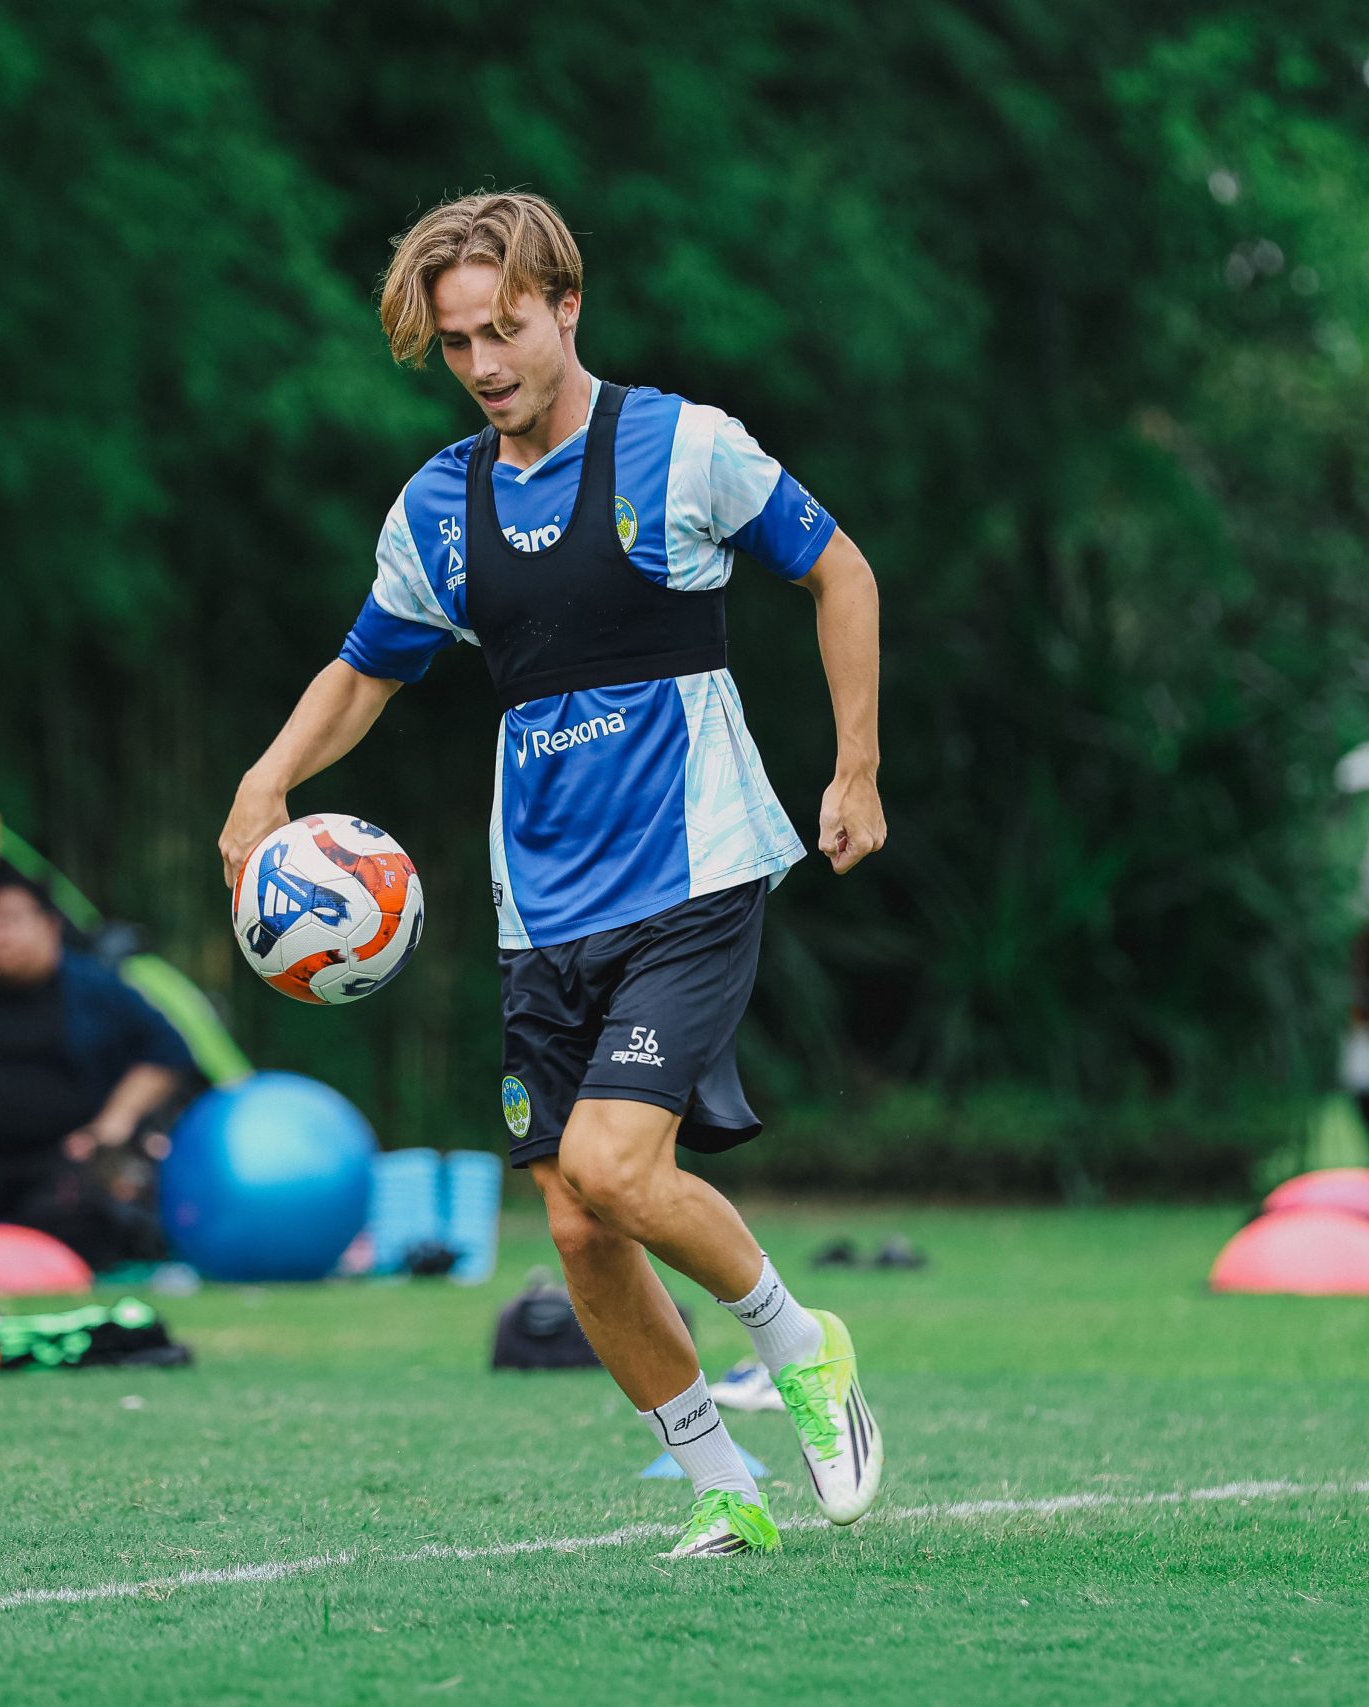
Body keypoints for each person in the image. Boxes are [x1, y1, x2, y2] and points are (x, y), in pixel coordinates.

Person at [217, 193, 887, 1559]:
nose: (482, 363)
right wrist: (264, 779)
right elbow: (368, 667)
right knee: (580, 1228)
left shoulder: (681, 446)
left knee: (613, 1161)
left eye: (503, 329)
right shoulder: (440, 509)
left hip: (692, 876)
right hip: (546, 908)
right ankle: (719, 1480)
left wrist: (855, 766)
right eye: (458, 342)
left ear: (565, 306)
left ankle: (802, 1344)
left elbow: (842, 572)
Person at [0, 874, 198, 1269]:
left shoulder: (97, 990)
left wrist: (113, 1121)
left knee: (83, 1226)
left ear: (50, 926)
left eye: (12, 919)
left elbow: (169, 1052)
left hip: (66, 1163)